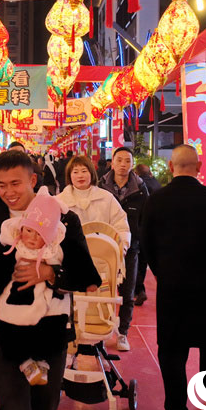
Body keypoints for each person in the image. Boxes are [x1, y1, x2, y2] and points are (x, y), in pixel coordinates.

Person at [0, 150, 100, 410]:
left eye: (15, 183)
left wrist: (50, 273)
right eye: (1, 184)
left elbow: (82, 271)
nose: (8, 192)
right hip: (5, 333)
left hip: (51, 332)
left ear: (33, 180)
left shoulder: (63, 219)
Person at [139, 145, 206, 410]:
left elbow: (146, 245)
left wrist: (161, 272)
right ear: (200, 166)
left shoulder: (156, 201)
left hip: (171, 287)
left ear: (171, 168)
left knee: (172, 349)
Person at [0, 188, 98, 386]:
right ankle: (25, 363)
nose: (31, 238)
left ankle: (41, 362)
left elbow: (81, 263)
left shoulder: (58, 248)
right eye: (28, 231)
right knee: (11, 334)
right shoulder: (13, 247)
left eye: (38, 234)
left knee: (51, 335)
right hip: (16, 301)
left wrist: (86, 280)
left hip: (50, 308)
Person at [99, 147, 149, 352]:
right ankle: (102, 329)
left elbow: (146, 218)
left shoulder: (140, 189)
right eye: (119, 160)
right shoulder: (101, 186)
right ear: (112, 162)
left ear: (132, 163)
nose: (122, 165)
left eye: (127, 161)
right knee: (103, 291)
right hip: (103, 247)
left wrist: (137, 239)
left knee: (127, 294)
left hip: (130, 248)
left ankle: (122, 333)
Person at [58, 156, 130, 244]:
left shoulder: (106, 197)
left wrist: (123, 246)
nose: (80, 176)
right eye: (75, 172)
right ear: (69, 175)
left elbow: (120, 224)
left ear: (91, 173)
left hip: (103, 253)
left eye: (84, 171)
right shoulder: (60, 201)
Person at [133, 163, 161, 306]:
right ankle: (139, 289)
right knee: (144, 260)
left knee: (135, 260)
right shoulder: (157, 184)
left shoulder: (139, 186)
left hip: (141, 227)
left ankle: (139, 290)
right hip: (155, 229)